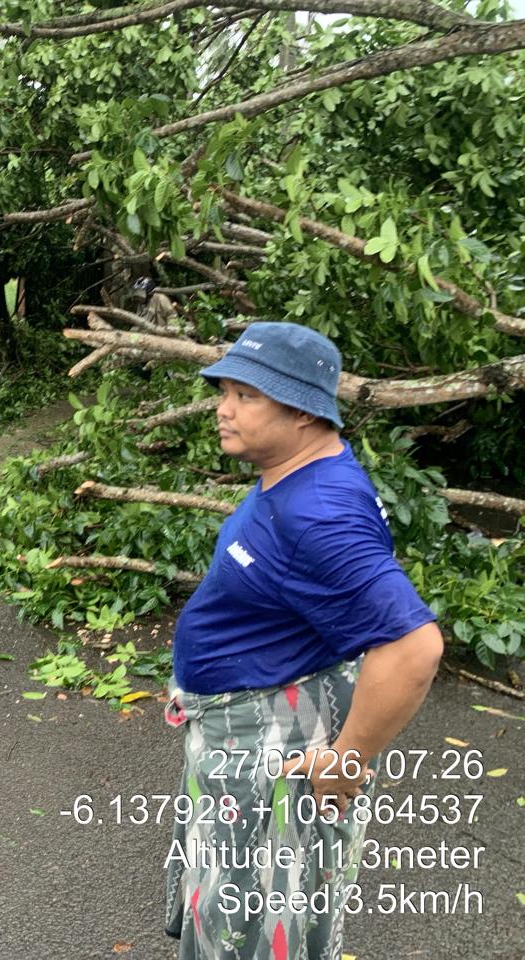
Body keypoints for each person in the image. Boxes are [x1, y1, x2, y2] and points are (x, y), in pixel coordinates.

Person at [163, 322, 444, 959]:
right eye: (224, 391)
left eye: (246, 396)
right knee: (234, 911)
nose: (223, 408)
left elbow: (414, 647)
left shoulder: (319, 513)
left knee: (257, 926)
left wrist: (347, 759)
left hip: (274, 748)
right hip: (244, 722)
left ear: (304, 411)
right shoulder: (296, 473)